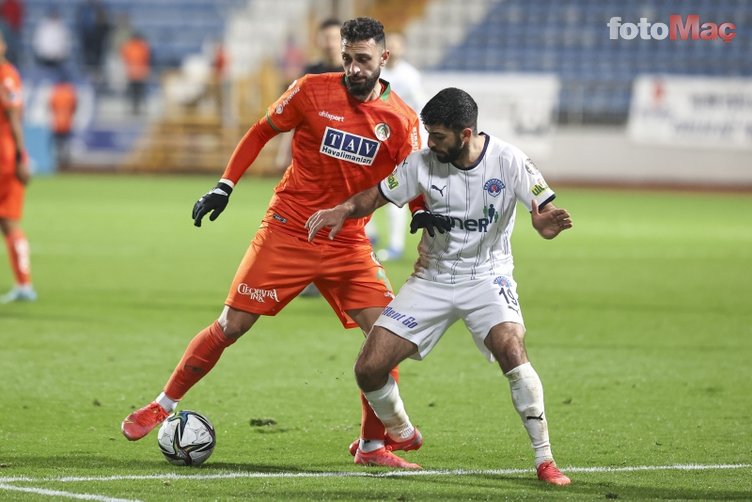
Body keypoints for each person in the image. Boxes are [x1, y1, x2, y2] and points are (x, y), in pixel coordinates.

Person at [121, 17, 429, 469]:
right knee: (231, 325)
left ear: (384, 58)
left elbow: (412, 179)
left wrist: (421, 214)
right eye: (347, 58)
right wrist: (225, 185)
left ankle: (371, 447)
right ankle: (162, 405)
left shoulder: (401, 120)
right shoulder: (310, 89)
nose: (354, 68)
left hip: (347, 242)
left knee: (385, 340)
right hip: (288, 230)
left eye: (363, 59)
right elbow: (262, 130)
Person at [305, 87, 573, 483]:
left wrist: (544, 225)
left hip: (487, 276)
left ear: (466, 133)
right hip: (432, 278)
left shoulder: (509, 160)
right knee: (368, 369)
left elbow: (544, 210)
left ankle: (545, 459)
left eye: (439, 136)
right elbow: (376, 195)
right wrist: (344, 209)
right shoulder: (421, 163)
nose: (430, 143)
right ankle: (401, 432)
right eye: (428, 133)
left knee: (511, 349)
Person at [365, 31, 426, 262]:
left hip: (400, 142)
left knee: (395, 189)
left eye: (398, 44)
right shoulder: (373, 72)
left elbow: (420, 110)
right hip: (374, 139)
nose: (394, 49)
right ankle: (369, 234)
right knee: (362, 185)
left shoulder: (410, 76)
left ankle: (395, 245)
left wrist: (415, 142)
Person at [0, 31, 35, 304]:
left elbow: (13, 117)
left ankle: (24, 285)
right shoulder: (8, 73)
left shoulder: (5, 75)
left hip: (5, 157)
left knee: (9, 222)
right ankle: (24, 284)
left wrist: (22, 156)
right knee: (9, 222)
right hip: (9, 155)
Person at [49, 74, 78, 169]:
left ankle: (57, 163)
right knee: (66, 144)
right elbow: (75, 105)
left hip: (57, 122)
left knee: (57, 145)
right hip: (67, 122)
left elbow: (51, 105)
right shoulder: (70, 91)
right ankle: (66, 164)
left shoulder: (56, 91)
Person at [120, 32, 150, 115]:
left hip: (135, 74)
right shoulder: (141, 47)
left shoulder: (132, 47)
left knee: (136, 94)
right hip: (137, 74)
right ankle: (135, 110)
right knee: (136, 94)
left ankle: (136, 110)